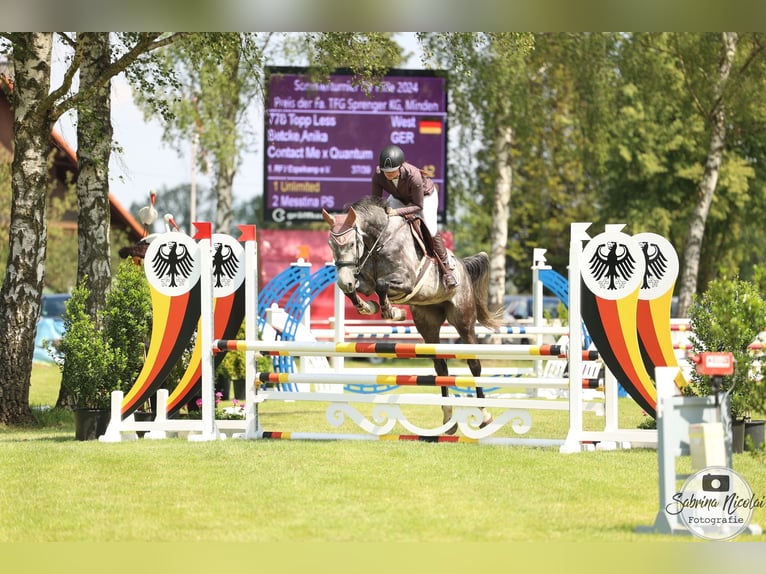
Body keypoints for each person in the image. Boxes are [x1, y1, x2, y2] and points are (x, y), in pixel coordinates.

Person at [371, 144, 458, 289]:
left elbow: (418, 206)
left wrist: (396, 212)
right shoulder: (379, 176)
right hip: (399, 198)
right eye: (386, 172)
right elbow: (375, 201)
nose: (389, 175)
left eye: (392, 171)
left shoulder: (413, 175)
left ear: (401, 166)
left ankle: (447, 269)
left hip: (425, 197)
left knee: (430, 228)